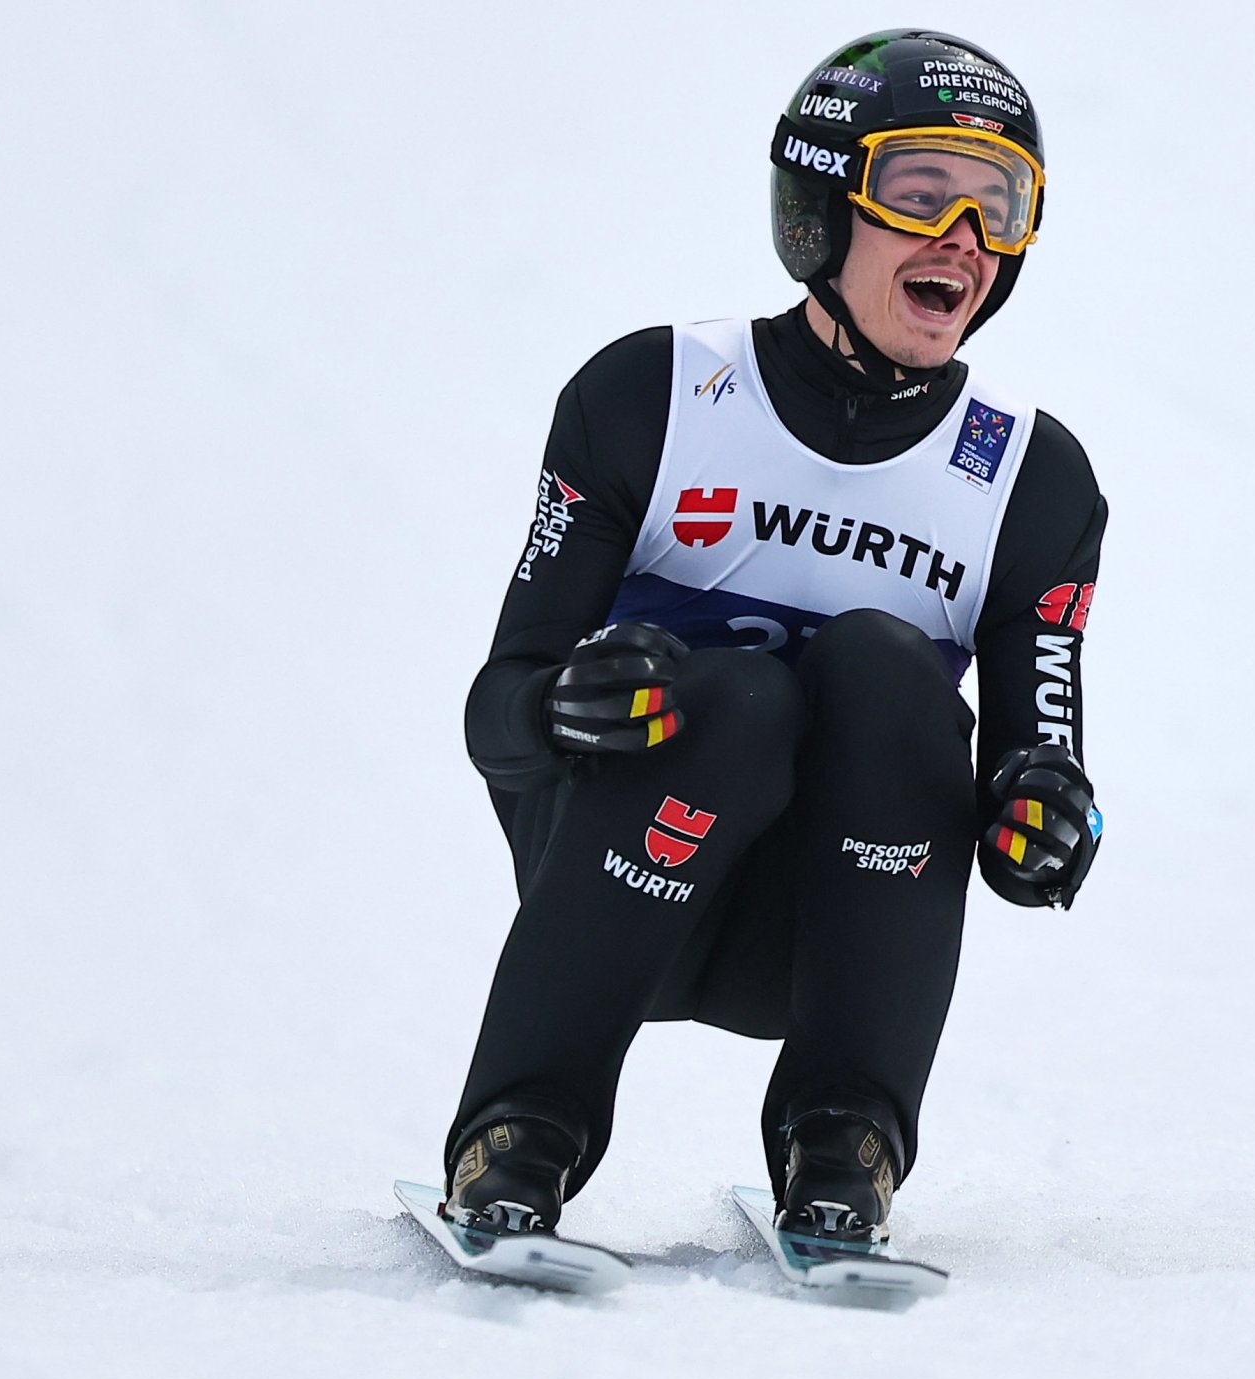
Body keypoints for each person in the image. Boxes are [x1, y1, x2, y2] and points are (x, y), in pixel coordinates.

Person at [441, 29, 1107, 1243]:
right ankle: (519, 1132)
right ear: (819, 209)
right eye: (921, 191)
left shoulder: (1031, 481)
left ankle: (844, 1140)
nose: (963, 235)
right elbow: (499, 713)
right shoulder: (650, 394)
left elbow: (1037, 774)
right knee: (739, 697)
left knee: (884, 669)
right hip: (620, 879)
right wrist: (558, 705)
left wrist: (1044, 824)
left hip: (829, 927)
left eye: (997, 203)